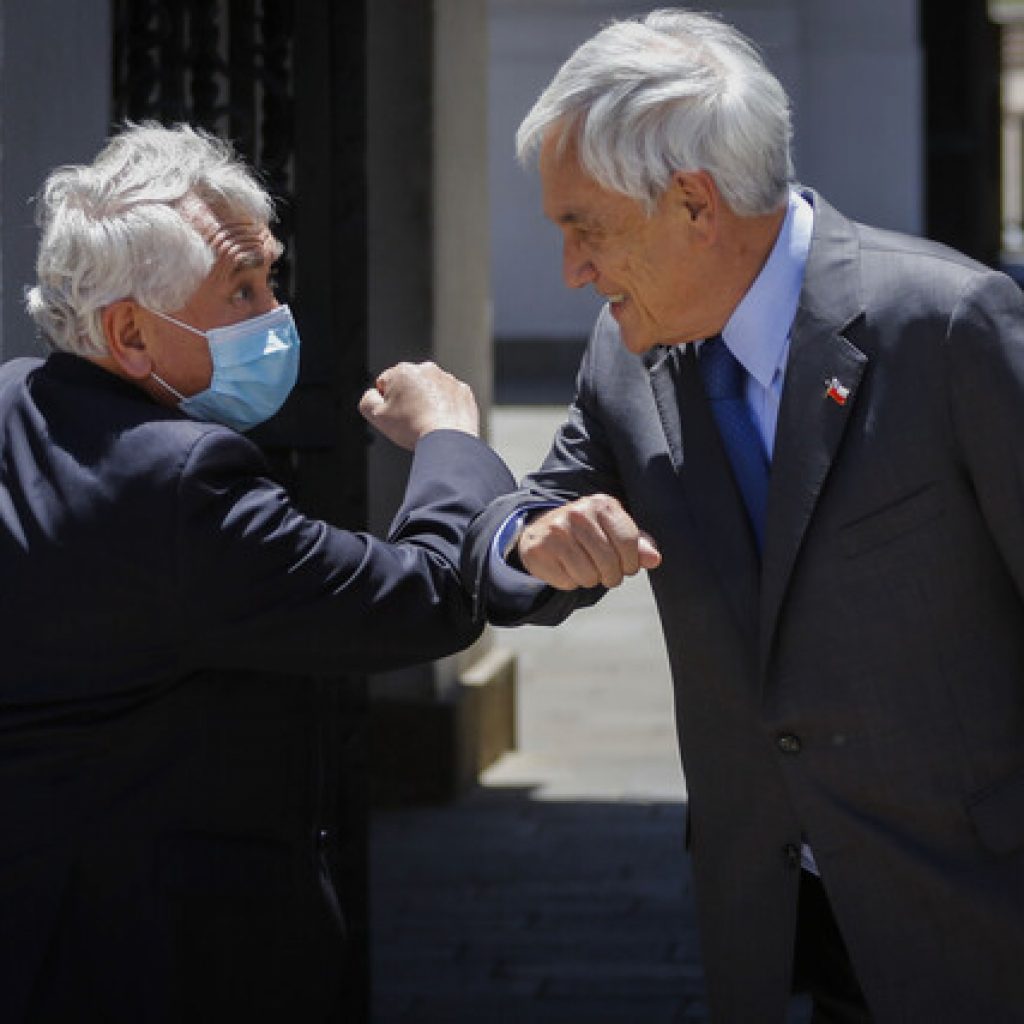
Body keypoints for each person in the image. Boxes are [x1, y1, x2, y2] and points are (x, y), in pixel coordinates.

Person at [462, 9, 1024, 1023]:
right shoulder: (622, 351)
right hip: (769, 931)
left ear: (691, 204)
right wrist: (526, 540)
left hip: (972, 920)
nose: (571, 270)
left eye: (582, 226)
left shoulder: (948, 326)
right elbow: (529, 521)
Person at [0, 123, 515, 1023]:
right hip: (165, 962)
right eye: (241, 289)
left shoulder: (13, 398)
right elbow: (429, 597)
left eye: (269, 274)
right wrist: (449, 438)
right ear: (130, 332)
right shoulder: (178, 481)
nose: (275, 314)